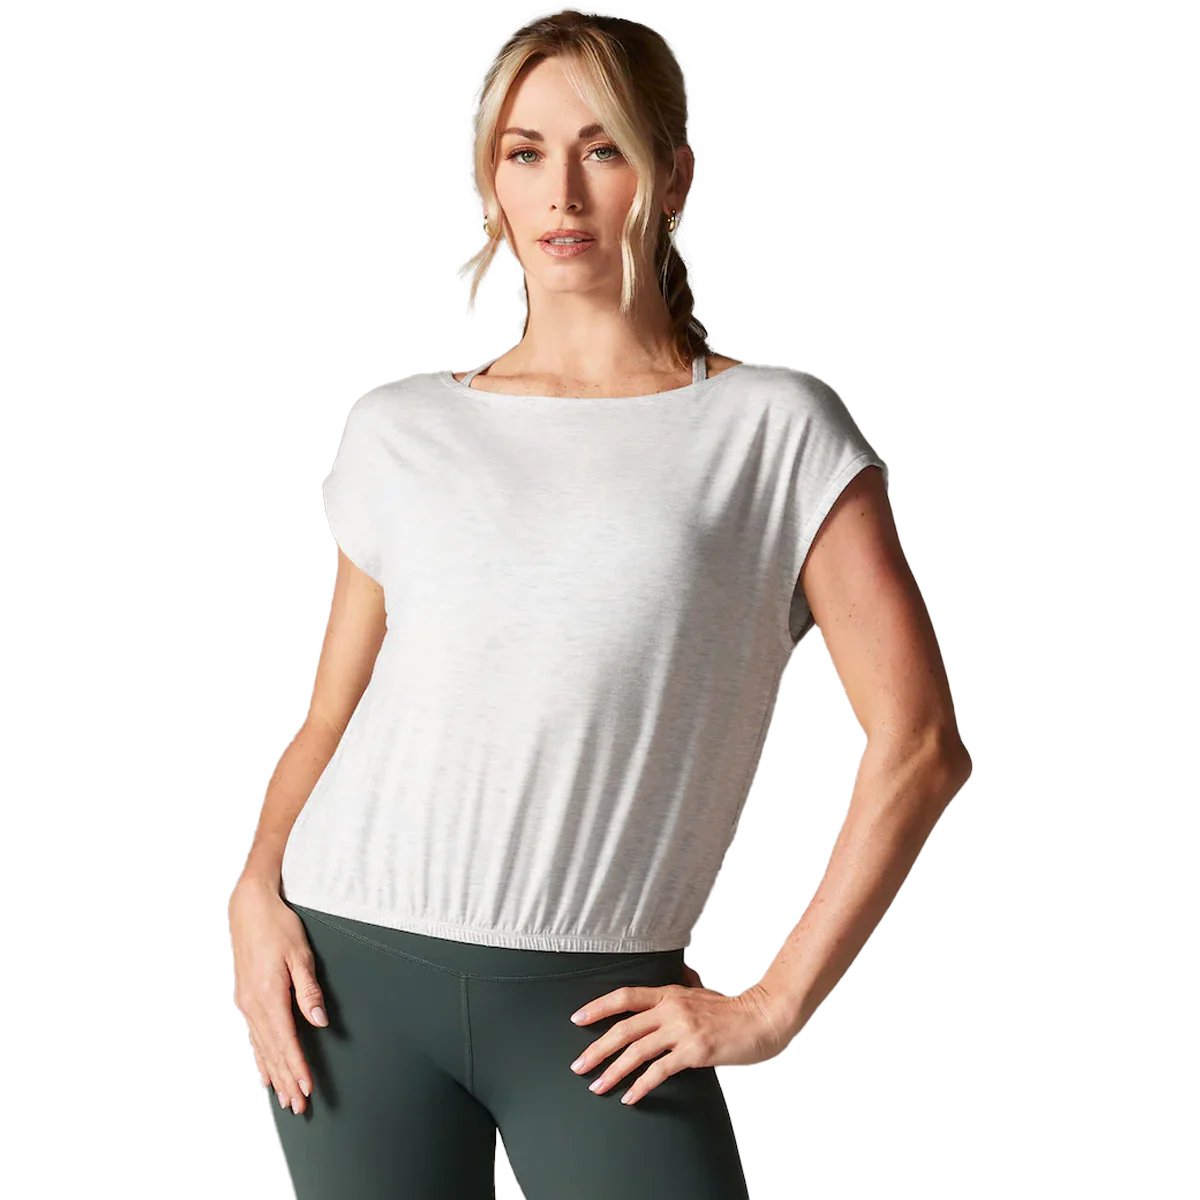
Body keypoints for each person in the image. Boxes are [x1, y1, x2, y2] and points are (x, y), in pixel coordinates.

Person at [229, 11, 972, 1199]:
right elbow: (332, 718)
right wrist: (254, 892)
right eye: (524, 153)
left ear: (673, 178)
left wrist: (774, 1006)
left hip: (602, 1007)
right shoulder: (400, 429)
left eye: (603, 148)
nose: (562, 192)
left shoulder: (770, 430)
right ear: (493, 184)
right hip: (345, 974)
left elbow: (921, 744)